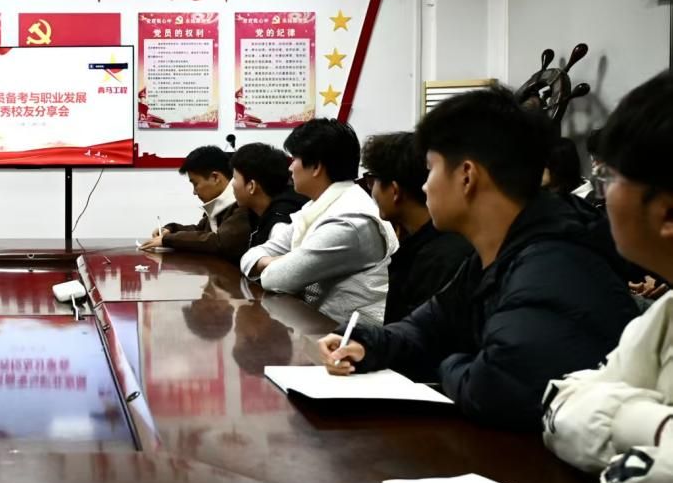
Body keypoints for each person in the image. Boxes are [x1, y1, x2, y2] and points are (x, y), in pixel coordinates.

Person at [321, 87, 637, 431]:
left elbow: (495, 391)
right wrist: (366, 345)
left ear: (467, 176)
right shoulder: (494, 253)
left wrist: (448, 362)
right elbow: (427, 326)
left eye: (430, 169)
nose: (424, 186)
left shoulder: (554, 265)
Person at [543, 70, 673, 483]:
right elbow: (561, 402)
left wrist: (615, 428)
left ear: (666, 212)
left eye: (610, 177)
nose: (602, 192)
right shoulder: (665, 313)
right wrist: (652, 426)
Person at [242, 119, 397, 325]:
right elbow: (251, 256)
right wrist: (283, 260)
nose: (290, 168)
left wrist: (279, 262)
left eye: (294, 159)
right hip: (321, 326)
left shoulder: (350, 221)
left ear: (316, 166)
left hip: (354, 337)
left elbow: (277, 279)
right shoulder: (316, 207)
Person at [361, 132, 473, 324]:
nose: (372, 191)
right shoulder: (431, 243)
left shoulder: (438, 260)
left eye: (373, 181)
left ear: (394, 190)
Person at [140, 145, 253, 263]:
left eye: (195, 184)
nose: (194, 192)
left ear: (215, 177)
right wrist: (171, 229)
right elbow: (201, 231)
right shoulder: (220, 204)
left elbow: (219, 241)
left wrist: (167, 240)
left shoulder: (241, 204)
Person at [229, 143, 307, 249]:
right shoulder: (256, 212)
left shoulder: (281, 226)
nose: (232, 184)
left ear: (251, 186)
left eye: (234, 178)